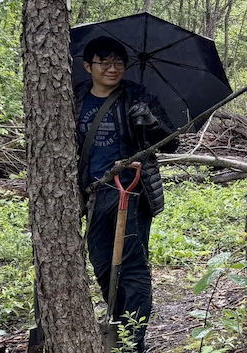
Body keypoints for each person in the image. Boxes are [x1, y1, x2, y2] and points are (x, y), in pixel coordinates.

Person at [74, 36, 177, 351]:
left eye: (118, 61)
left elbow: (170, 142)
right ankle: (119, 326)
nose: (112, 68)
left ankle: (134, 342)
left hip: (130, 192)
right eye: (103, 61)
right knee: (104, 266)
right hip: (91, 195)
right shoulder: (74, 98)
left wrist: (150, 121)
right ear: (87, 65)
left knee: (131, 268)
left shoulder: (137, 96)